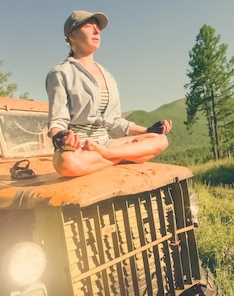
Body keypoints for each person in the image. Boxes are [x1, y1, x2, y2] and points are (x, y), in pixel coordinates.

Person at [46, 10, 172, 177]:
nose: (97, 31)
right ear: (72, 36)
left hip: (106, 145)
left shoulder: (108, 75)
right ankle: (124, 156)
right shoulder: (60, 73)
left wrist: (148, 130)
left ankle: (107, 156)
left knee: (160, 140)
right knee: (66, 163)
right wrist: (60, 139)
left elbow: (115, 120)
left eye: (98, 28)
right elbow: (57, 121)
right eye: (89, 26)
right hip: (81, 148)